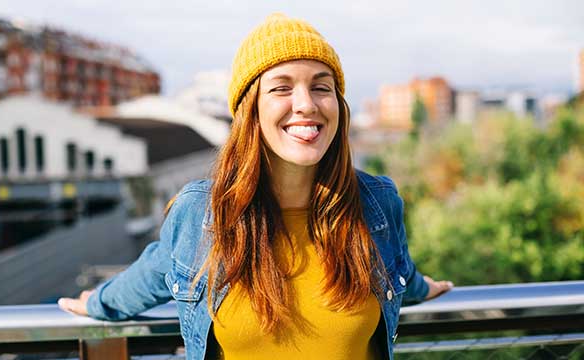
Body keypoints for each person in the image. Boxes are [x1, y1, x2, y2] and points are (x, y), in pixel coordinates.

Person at [59, 13, 453, 360]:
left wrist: (422, 288)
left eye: (321, 86)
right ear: (252, 110)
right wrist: (98, 303)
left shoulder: (376, 204)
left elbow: (398, 269)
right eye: (281, 88)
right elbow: (153, 272)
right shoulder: (203, 214)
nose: (306, 104)